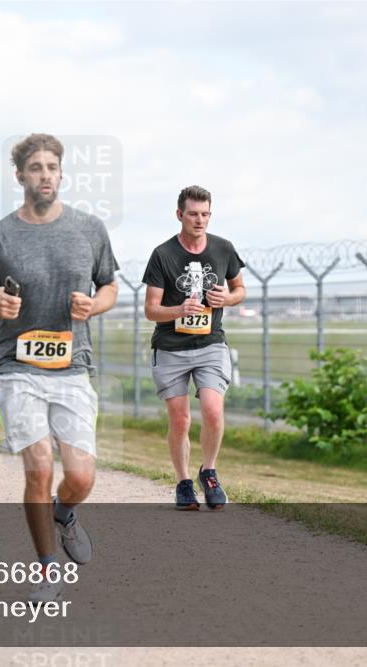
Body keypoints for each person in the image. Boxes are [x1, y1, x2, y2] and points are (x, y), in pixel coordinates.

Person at [0, 133, 119, 603]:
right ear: (20, 176)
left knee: (82, 477)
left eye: (52, 167)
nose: (45, 175)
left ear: (62, 174)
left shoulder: (89, 229)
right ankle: (48, 568)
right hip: (15, 366)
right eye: (36, 168)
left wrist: (94, 305)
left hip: (72, 366)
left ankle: (64, 513)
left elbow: (110, 286)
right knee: (39, 466)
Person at [142, 185, 246, 510]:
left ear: (210, 215)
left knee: (213, 411)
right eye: (193, 214)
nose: (199, 220)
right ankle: (183, 482)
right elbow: (150, 310)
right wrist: (178, 311)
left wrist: (227, 299)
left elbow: (239, 288)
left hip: (210, 343)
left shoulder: (224, 249)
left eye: (205, 214)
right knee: (180, 420)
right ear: (179, 215)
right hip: (171, 346)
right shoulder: (163, 255)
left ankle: (209, 472)